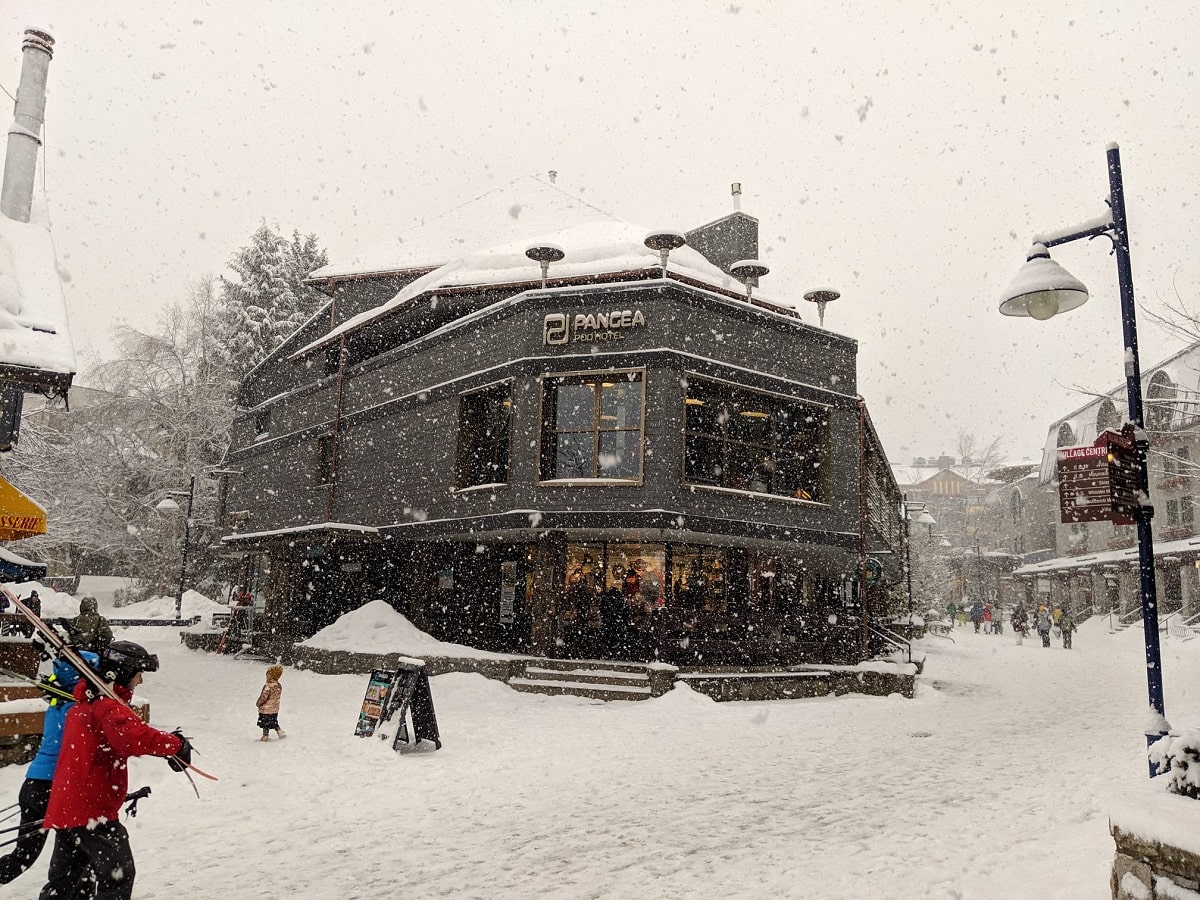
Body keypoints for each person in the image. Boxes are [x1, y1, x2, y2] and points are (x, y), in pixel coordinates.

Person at [39, 640, 189, 900]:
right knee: (118, 875)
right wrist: (176, 744)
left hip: (70, 806)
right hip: (91, 810)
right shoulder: (107, 706)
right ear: (124, 671)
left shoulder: (86, 704)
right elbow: (134, 737)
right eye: (138, 673)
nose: (140, 680)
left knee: (70, 882)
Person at [0, 652, 99, 886]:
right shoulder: (76, 709)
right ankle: (70, 890)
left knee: (23, 856)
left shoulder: (57, 703)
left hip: (34, 784)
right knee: (76, 848)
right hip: (55, 788)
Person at [256, 664, 287, 741]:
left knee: (265, 724)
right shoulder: (278, 686)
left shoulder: (268, 686)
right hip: (274, 709)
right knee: (273, 722)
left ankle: (265, 736)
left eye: (268, 675)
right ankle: (279, 731)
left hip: (266, 710)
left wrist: (258, 703)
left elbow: (263, 697)